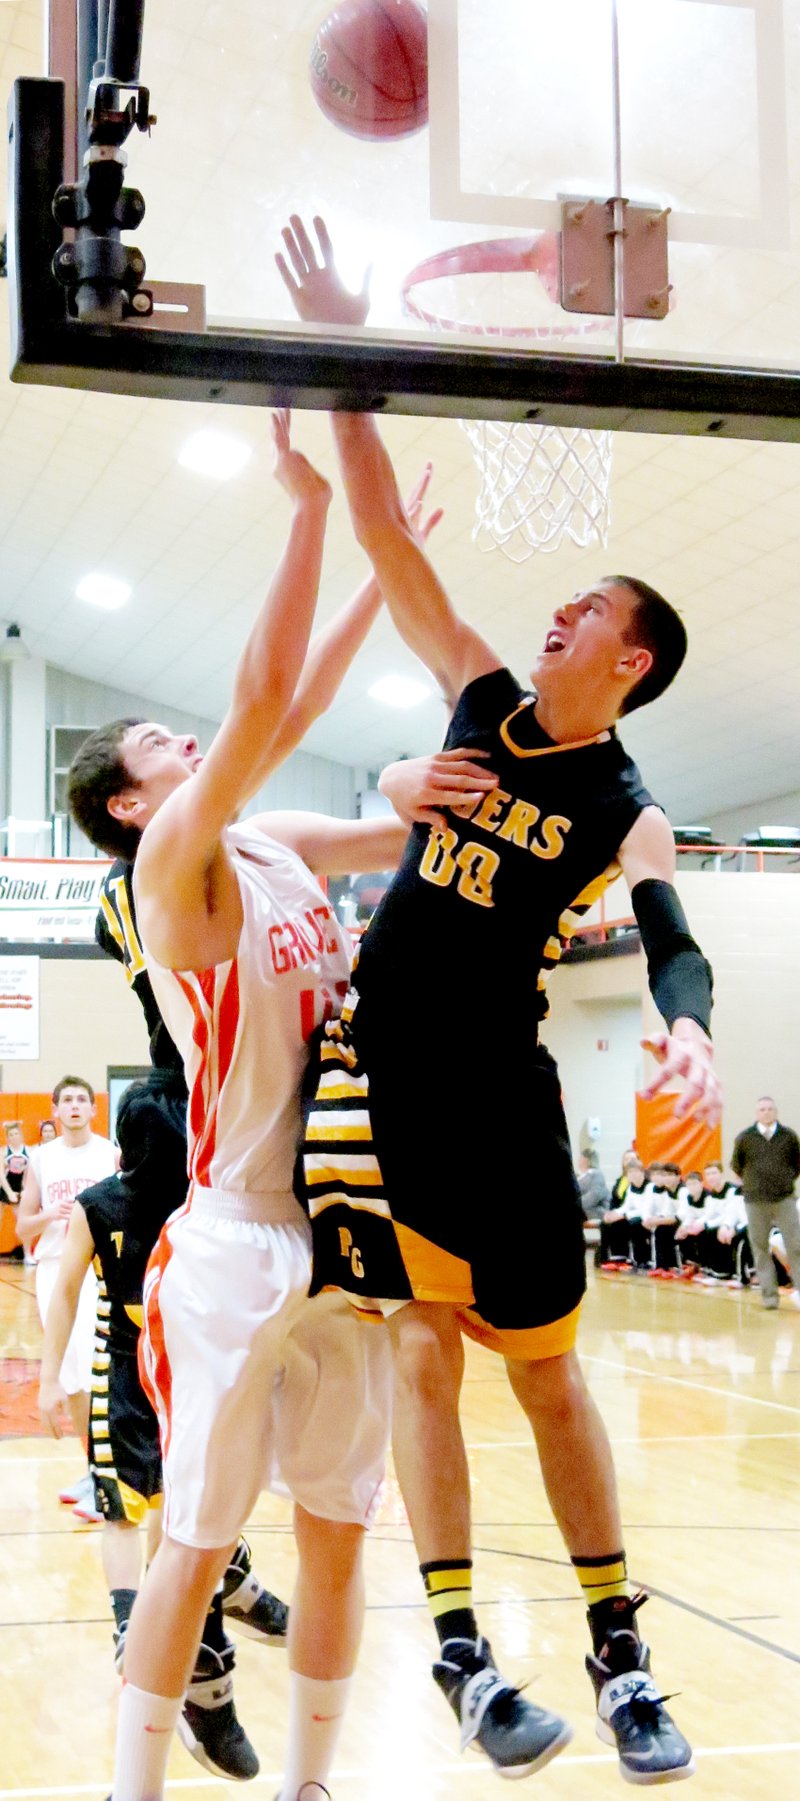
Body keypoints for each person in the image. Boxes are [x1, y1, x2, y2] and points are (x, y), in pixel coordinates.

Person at [279, 213, 721, 1786]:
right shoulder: (475, 697)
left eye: (590, 607)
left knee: (548, 1374)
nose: (559, 612)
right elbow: (390, 531)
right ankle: (463, 1651)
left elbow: (671, 936)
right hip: (386, 1083)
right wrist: (344, 346)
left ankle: (623, 1653)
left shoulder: (624, 800)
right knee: (419, 1353)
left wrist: (686, 1022)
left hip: (502, 1088)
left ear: (635, 653)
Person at [67, 412, 491, 1801]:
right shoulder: (171, 868)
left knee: (335, 1532)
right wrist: (315, 511)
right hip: (235, 1233)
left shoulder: (271, 837)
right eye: (147, 742)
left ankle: (312, 1787)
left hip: (348, 1224)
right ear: (132, 807)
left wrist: (391, 566)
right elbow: (272, 706)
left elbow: (399, 825)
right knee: (195, 1541)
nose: (175, 735)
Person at [36, 1078, 276, 1779]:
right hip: (122, 1361)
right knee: (121, 1502)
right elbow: (65, 1287)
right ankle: (126, 1621)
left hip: (186, 1361)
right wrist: (52, 1374)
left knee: (184, 1506)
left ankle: (216, 1592)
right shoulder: (98, 1204)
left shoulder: (196, 1202)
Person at [17, 1075, 116, 1521]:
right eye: (67, 1101)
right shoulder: (41, 1159)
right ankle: (95, 1469)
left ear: (93, 1109)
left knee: (100, 1375)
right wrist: (49, 1215)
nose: (75, 1106)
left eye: (82, 1099)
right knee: (73, 1377)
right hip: (54, 1272)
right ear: (55, 1110)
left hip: (98, 1272)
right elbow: (23, 1227)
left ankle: (112, 1478)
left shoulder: (109, 1152)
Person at [731, 1097, 800, 1309]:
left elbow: (796, 1165)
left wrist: (783, 1181)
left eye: (770, 1109)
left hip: (784, 1199)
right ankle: (770, 1297)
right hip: (755, 1201)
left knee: (795, 1245)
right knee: (760, 1248)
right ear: (757, 1113)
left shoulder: (789, 1136)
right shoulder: (745, 1138)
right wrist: (754, 1184)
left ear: (776, 1111)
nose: (767, 1112)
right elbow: (737, 1166)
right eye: (762, 1109)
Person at [598, 1159, 648, 1270]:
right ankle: (618, 1257)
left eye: (636, 1172)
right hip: (632, 1215)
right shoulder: (631, 1188)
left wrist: (624, 1215)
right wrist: (613, 1214)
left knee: (633, 1223)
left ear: (642, 1172)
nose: (633, 1175)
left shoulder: (649, 1187)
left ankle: (642, 1260)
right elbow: (626, 1206)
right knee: (608, 1223)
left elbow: (645, 1210)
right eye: (630, 1173)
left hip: (647, 1218)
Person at [1, 1120, 29, 1261]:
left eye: (16, 1133)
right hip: (5, 1188)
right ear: (7, 1137)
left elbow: (30, 1173)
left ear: (21, 1135)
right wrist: (9, 1192)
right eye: (11, 1134)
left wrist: (24, 1189)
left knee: (22, 1221)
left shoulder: (29, 1151)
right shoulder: (3, 1151)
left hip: (20, 1188)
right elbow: (1, 1175)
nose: (14, 1136)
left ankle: (28, 1254)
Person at [576, 1148, 609, 1222]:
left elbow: (594, 1195)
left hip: (594, 1211)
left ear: (587, 1159)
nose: (579, 1160)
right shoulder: (579, 1176)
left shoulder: (596, 1175)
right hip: (581, 1211)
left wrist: (576, 1204)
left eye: (581, 1158)